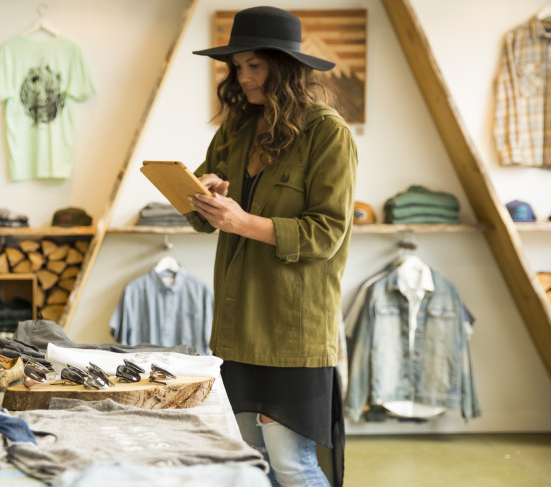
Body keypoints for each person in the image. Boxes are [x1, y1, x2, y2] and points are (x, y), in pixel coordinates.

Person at [188, 6, 357, 487]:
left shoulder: (328, 133)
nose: (242, 77)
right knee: (250, 463)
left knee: (291, 465)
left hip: (292, 330)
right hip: (236, 326)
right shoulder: (235, 130)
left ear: (285, 68)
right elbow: (202, 219)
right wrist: (202, 193)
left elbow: (326, 233)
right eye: (237, 66)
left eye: (254, 65)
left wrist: (242, 222)